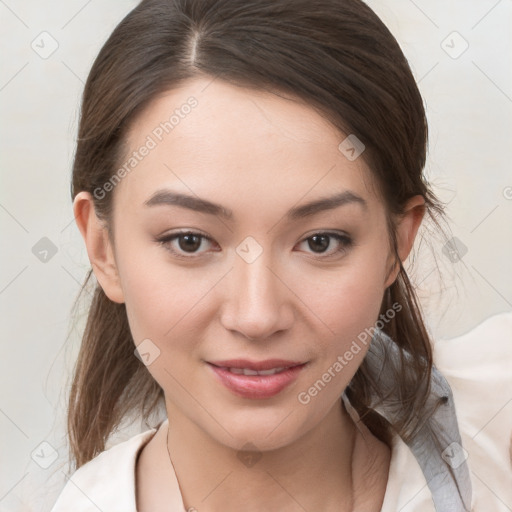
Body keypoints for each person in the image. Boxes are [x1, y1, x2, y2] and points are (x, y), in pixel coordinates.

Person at [48, 0, 512, 511]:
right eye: (190, 241)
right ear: (103, 248)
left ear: (397, 244)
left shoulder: (492, 440)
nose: (257, 316)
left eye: (320, 241)